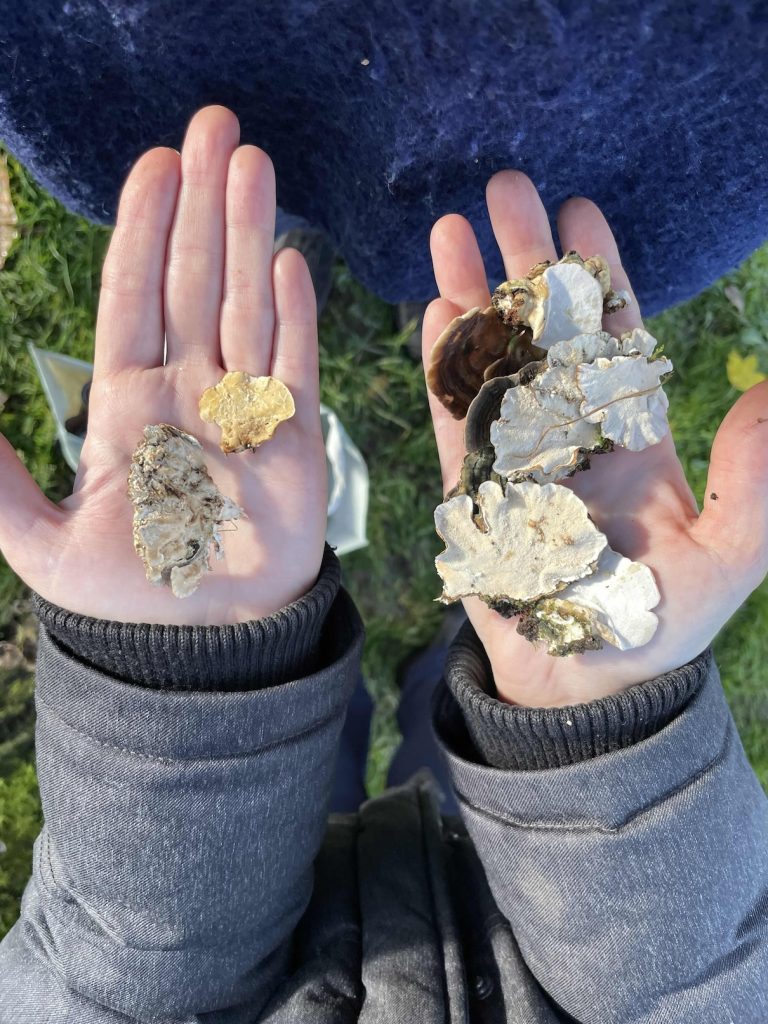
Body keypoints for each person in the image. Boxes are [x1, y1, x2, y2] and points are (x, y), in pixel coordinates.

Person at [0, 105, 766, 1022]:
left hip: (221, 867)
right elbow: (708, 992)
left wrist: (182, 689)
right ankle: (455, 655)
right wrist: (600, 733)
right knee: (451, 727)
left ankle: (404, 665)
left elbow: (106, 982)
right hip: (557, 885)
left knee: (315, 735)